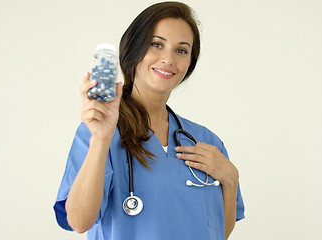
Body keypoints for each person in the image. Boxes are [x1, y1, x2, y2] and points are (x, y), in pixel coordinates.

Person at [54, 2, 245, 239]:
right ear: (134, 48)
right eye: (157, 44)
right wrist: (101, 140)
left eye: (181, 50)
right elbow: (79, 221)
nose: (168, 59)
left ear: (190, 62)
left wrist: (230, 178)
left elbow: (216, 232)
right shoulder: (99, 131)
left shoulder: (206, 140)